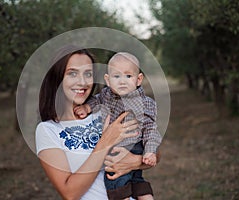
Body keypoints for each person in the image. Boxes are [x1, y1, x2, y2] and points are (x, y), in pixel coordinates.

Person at [36, 46, 157, 200]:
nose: (82, 82)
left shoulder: (107, 109)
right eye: (72, 73)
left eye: (88, 74)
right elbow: (70, 193)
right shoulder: (48, 130)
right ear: (57, 78)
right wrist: (105, 143)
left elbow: (152, 148)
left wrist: (136, 161)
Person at [74, 52, 162, 200]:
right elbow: (96, 100)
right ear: (108, 80)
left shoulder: (145, 103)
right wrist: (87, 108)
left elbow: (151, 129)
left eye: (128, 76)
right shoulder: (106, 94)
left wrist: (150, 151)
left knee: (115, 181)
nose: (122, 81)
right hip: (118, 145)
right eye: (117, 76)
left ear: (138, 79)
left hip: (128, 147)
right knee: (136, 182)